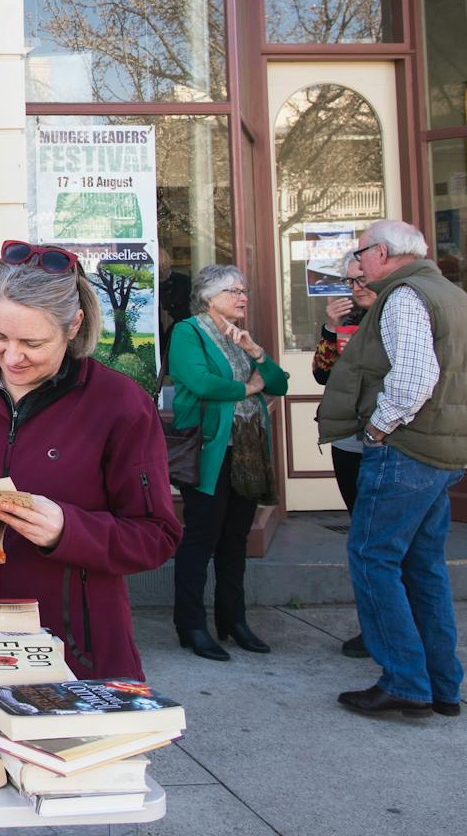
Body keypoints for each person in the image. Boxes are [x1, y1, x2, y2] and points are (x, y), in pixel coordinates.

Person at [0, 241, 180, 681]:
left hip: (75, 653)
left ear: (73, 326)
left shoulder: (119, 404)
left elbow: (157, 536)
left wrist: (68, 530)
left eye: (32, 343)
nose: (12, 357)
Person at [320, 220, 467, 719]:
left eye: (360, 252)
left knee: (372, 558)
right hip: (441, 453)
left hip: (407, 451)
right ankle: (442, 685)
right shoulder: (450, 294)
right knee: (422, 565)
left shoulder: (405, 297)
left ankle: (406, 683)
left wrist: (377, 431)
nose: (357, 263)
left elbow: (413, 380)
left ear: (382, 252)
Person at [168, 265, 288, 661]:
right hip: (208, 450)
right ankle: (191, 625)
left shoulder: (240, 338)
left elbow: (280, 383)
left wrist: (256, 353)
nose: (243, 296)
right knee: (202, 536)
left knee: (236, 538)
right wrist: (248, 387)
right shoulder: (188, 332)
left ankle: (233, 620)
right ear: (208, 296)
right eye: (234, 290)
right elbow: (201, 383)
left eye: (244, 289)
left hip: (247, 449)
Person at [313, 263, 378, 659]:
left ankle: (393, 629)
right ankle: (373, 627)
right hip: (350, 443)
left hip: (388, 444)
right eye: (352, 282)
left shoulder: (399, 313)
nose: (356, 288)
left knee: (383, 543)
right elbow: (322, 375)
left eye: (363, 281)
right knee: (363, 536)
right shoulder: (348, 321)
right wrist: (329, 329)